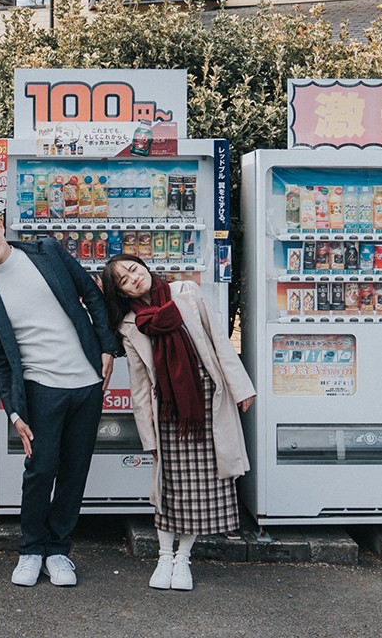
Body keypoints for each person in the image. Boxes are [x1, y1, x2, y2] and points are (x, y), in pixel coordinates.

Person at [0, 206, 118, 587]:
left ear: (0, 225)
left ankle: (58, 549)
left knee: (76, 470)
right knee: (41, 470)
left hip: (88, 381)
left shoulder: (47, 250)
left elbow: (90, 294)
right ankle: (31, 549)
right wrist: (14, 412)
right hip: (40, 387)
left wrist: (107, 347)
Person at [101, 253, 255, 592]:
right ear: (122, 294)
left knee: (203, 488)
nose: (133, 279)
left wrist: (241, 388)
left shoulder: (185, 291)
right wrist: (148, 438)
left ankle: (183, 558)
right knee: (169, 489)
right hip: (167, 412)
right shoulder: (131, 324)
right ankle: (163, 556)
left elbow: (219, 341)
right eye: (123, 281)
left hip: (205, 404)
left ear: (142, 265)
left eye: (132, 269)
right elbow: (140, 386)